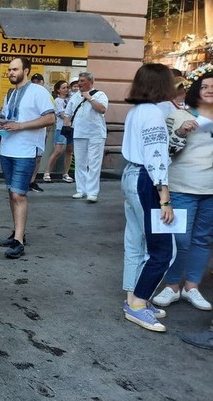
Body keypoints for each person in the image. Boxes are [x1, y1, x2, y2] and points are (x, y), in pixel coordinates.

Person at [152, 66, 213, 312]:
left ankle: (192, 287)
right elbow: (165, 151)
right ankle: (172, 285)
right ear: (196, 91)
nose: (209, 90)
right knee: (179, 240)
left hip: (210, 190)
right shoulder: (178, 115)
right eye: (205, 86)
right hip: (181, 187)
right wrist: (180, 132)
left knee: (203, 239)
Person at [121, 63, 176, 332]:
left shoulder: (136, 110)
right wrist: (165, 197)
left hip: (132, 175)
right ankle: (138, 303)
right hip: (146, 180)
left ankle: (133, 297)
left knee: (135, 242)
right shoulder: (153, 113)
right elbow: (156, 157)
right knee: (163, 250)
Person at [0, 57, 55, 258]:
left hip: (26, 151)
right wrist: (2, 124)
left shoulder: (39, 91)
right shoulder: (10, 93)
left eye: (15, 69)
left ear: (26, 71)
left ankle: (19, 242)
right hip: (7, 149)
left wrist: (20, 126)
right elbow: (9, 118)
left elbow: (50, 118)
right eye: (9, 69)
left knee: (18, 195)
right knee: (11, 193)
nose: (11, 72)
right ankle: (17, 233)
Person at [64, 72, 108, 203]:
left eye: (82, 81)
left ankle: (92, 192)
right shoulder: (75, 96)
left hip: (96, 134)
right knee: (80, 163)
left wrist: (89, 98)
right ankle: (80, 190)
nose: (79, 83)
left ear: (90, 82)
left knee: (94, 163)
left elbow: (102, 109)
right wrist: (66, 126)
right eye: (79, 81)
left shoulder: (100, 95)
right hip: (79, 133)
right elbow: (68, 113)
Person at [43, 80, 74, 183]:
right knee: (58, 150)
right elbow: (62, 114)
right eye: (63, 88)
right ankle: (47, 172)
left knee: (69, 150)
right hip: (62, 128)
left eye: (67, 88)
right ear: (58, 90)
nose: (66, 90)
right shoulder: (57, 101)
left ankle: (65, 173)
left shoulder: (71, 99)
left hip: (72, 127)